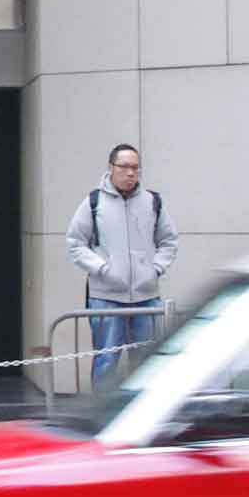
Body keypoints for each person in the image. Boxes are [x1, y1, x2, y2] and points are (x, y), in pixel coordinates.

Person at [66, 143, 180, 385]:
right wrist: (102, 269)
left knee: (147, 364)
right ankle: (102, 417)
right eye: (125, 167)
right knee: (106, 362)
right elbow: (76, 243)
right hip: (106, 297)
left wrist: (156, 268)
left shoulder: (152, 202)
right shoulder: (93, 202)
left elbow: (169, 240)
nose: (131, 173)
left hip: (146, 297)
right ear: (111, 168)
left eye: (135, 168)